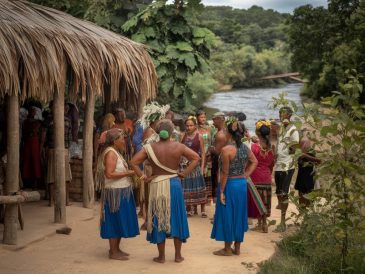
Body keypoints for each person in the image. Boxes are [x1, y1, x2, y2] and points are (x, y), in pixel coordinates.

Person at [130, 119, 200, 264]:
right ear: (171, 132)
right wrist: (184, 173)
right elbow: (196, 158)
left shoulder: (150, 147)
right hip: (174, 184)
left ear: (157, 132)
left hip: (157, 185)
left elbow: (133, 162)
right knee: (176, 217)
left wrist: (144, 177)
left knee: (159, 218)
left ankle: (161, 257)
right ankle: (178, 256)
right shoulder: (178, 146)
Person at [211, 116, 258, 256]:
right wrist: (245, 175)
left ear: (229, 133)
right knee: (238, 214)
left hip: (229, 184)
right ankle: (237, 248)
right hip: (241, 185)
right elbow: (254, 161)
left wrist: (221, 191)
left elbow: (225, 172)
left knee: (227, 214)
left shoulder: (226, 150)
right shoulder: (244, 148)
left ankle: (227, 249)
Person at [98, 128, 139, 260]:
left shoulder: (115, 152)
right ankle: (113, 252)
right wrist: (130, 173)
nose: (124, 141)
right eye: (122, 138)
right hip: (115, 193)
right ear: (115, 141)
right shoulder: (111, 153)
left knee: (119, 220)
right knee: (114, 220)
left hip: (121, 191)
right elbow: (109, 174)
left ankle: (116, 249)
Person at [139, 102, 171, 230]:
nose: (161, 121)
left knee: (156, 193)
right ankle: (148, 220)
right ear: (154, 120)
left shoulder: (155, 131)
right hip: (150, 166)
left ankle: (155, 218)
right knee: (149, 193)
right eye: (160, 119)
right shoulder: (149, 131)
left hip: (155, 165)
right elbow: (147, 150)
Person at [274, 106, 299, 232]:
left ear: (289, 115)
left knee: (284, 193)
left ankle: (283, 222)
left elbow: (294, 149)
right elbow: (278, 146)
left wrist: (288, 145)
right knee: (279, 192)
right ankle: (282, 217)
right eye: (279, 113)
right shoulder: (281, 130)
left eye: (282, 113)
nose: (280, 115)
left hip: (287, 165)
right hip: (279, 164)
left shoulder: (293, 130)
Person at [250, 120, 275, 233]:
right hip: (266, 177)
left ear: (257, 133)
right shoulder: (271, 147)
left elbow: (250, 162)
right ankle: (264, 224)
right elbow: (271, 164)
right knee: (265, 200)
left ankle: (260, 224)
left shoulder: (254, 147)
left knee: (257, 200)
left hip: (255, 176)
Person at [45, 103, 73, 206]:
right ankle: (65, 201)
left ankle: (53, 201)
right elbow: (69, 138)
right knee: (64, 176)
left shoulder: (50, 120)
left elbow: (44, 135)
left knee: (53, 176)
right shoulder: (67, 121)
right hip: (60, 150)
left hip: (56, 149)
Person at [180, 116, 207, 217]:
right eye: (187, 125)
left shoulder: (199, 136)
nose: (188, 127)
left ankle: (203, 209)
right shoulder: (183, 136)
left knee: (199, 186)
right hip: (185, 165)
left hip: (196, 165)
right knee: (187, 186)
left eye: (191, 125)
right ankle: (188, 209)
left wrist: (203, 167)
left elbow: (203, 153)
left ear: (195, 126)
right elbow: (179, 150)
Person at [294, 130, 320, 207]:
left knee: (309, 195)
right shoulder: (298, 150)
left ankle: (308, 210)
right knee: (301, 195)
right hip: (302, 176)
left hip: (309, 177)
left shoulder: (309, 150)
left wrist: (305, 155)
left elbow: (319, 161)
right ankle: (302, 211)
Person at [196, 110, 214, 202]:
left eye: (204, 117)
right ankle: (199, 197)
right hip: (198, 155)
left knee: (207, 176)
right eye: (201, 117)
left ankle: (207, 197)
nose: (203, 119)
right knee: (199, 175)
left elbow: (211, 142)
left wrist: (210, 152)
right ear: (197, 118)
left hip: (208, 155)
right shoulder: (195, 129)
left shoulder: (209, 128)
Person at [209, 112, 227, 202]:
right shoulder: (225, 131)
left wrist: (210, 148)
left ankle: (219, 209)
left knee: (217, 184)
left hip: (219, 163)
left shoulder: (220, 134)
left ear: (220, 120)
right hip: (223, 162)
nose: (212, 123)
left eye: (214, 120)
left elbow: (217, 151)